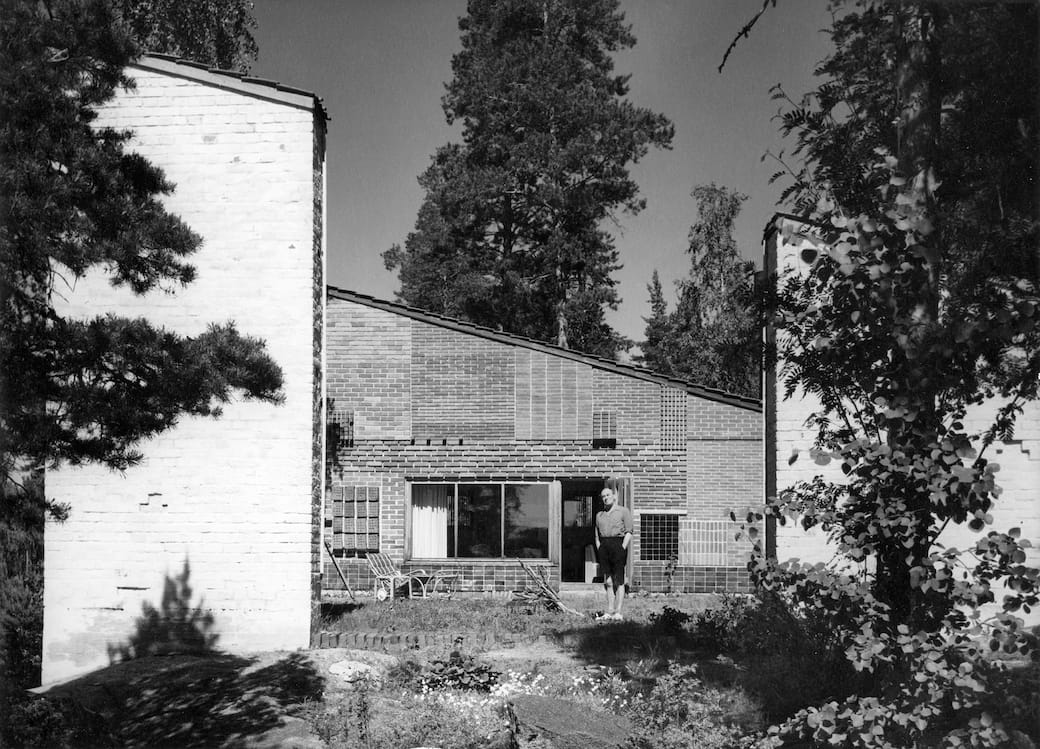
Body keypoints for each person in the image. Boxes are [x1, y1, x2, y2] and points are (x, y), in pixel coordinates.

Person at [594, 486, 632, 620]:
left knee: (619, 580)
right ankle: (610, 610)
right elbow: (597, 535)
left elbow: (629, 532)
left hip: (618, 545)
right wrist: (600, 548)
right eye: (603, 496)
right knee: (609, 581)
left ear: (614, 496)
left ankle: (618, 612)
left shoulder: (623, 511)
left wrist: (622, 547)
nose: (606, 498)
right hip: (604, 546)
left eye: (608, 495)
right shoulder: (599, 515)